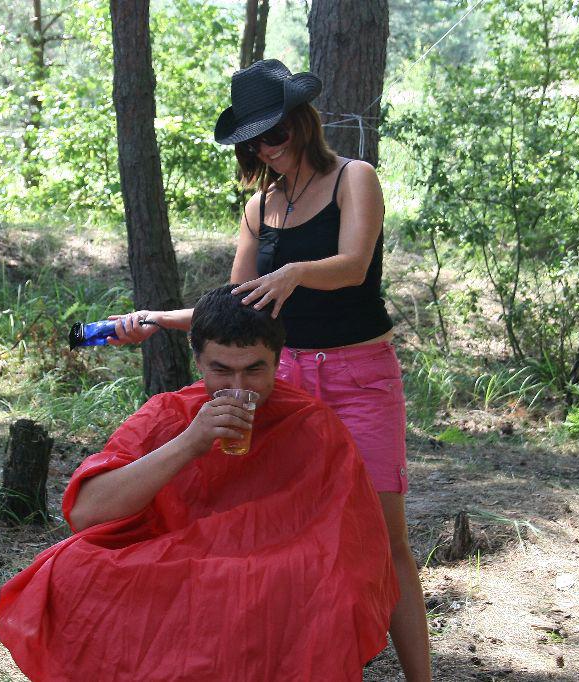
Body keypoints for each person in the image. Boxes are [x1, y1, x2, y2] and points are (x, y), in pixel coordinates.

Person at [108, 60, 432, 680]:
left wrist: (295, 273)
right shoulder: (260, 208)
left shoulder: (353, 178)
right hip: (282, 383)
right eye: (254, 141)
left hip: (359, 378)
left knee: (384, 534)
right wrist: (157, 319)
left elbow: (354, 265)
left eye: (275, 132)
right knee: (288, 532)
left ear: (302, 121)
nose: (267, 148)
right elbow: (236, 307)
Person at [0, 285, 399, 681]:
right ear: (199, 363)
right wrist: (189, 442)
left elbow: (353, 545)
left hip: (274, 572)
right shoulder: (169, 413)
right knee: (70, 570)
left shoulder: (313, 423)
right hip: (175, 560)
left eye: (254, 369)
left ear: (278, 362)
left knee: (310, 588)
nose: (239, 388)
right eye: (221, 370)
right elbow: (87, 513)